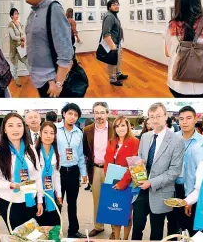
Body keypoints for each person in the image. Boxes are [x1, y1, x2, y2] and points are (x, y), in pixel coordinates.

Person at [132, 102, 184, 241]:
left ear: (166, 116)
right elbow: (141, 159)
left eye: (158, 116)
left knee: (156, 231)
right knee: (136, 228)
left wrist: (151, 182)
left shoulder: (176, 140)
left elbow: (174, 171)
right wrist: (138, 164)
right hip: (141, 191)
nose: (155, 120)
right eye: (152, 116)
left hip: (161, 192)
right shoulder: (145, 137)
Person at [0, 113, 43, 231]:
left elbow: (37, 176)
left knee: (32, 235)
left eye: (19, 125)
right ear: (5, 129)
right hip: (9, 202)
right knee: (18, 236)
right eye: (11, 125)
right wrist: (10, 185)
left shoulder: (31, 150)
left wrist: (39, 201)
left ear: (24, 128)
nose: (15, 129)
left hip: (30, 201)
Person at [25, 0, 74, 98]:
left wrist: (58, 83)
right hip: (38, 79)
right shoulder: (33, 12)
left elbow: (66, 52)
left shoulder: (54, 9)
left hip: (51, 82)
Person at [104, 116, 140, 240]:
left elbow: (134, 164)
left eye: (123, 125)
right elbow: (106, 161)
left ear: (128, 126)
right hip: (112, 182)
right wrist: (108, 178)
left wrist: (122, 183)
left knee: (126, 214)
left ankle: (125, 239)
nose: (120, 128)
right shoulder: (111, 141)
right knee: (115, 213)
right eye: (117, 126)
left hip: (127, 184)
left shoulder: (134, 141)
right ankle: (116, 237)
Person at [171, 106, 203, 235]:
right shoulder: (172, 138)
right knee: (172, 222)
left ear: (196, 119)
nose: (184, 122)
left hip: (191, 189)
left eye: (189, 118)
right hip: (173, 186)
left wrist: (190, 198)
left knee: (188, 223)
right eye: (181, 119)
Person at [83, 102, 114, 238]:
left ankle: (115, 228)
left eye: (102, 112)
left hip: (112, 169)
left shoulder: (115, 128)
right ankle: (98, 226)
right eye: (96, 112)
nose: (99, 115)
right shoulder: (87, 130)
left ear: (107, 113)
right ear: (93, 114)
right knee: (97, 199)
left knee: (113, 199)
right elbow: (85, 150)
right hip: (95, 169)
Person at [57, 103, 87, 238]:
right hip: (58, 172)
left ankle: (73, 231)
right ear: (63, 114)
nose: (72, 117)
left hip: (73, 172)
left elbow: (80, 155)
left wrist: (84, 173)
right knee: (57, 202)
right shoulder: (54, 129)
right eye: (70, 113)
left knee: (72, 203)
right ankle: (55, 230)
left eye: (76, 115)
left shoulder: (79, 133)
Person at [35, 122, 62, 226]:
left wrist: (59, 194)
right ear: (40, 134)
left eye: (52, 133)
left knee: (54, 224)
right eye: (45, 132)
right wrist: (39, 200)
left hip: (51, 194)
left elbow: (56, 175)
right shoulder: (34, 152)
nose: (48, 136)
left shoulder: (56, 152)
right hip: (37, 194)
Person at [101, 0, 128, 87]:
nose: (116, 6)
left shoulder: (114, 15)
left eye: (117, 4)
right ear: (109, 7)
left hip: (117, 42)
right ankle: (113, 79)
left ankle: (118, 74)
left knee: (118, 60)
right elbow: (106, 33)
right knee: (112, 62)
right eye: (113, 5)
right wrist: (112, 46)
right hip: (113, 44)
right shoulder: (109, 16)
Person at [8, 7, 29, 87]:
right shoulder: (10, 25)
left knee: (27, 61)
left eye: (17, 13)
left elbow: (22, 34)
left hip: (21, 47)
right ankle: (16, 79)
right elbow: (13, 37)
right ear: (11, 16)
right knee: (15, 65)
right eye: (15, 14)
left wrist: (23, 41)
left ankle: (33, 77)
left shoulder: (19, 23)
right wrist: (21, 39)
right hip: (14, 49)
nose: (17, 15)